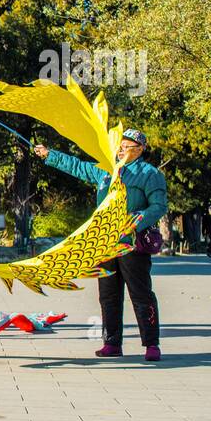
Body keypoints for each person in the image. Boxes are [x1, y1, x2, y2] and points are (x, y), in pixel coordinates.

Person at [33, 129, 168, 361]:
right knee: (108, 296)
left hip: (131, 245)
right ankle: (112, 343)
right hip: (104, 244)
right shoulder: (107, 169)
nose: (121, 148)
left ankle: (151, 344)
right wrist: (49, 155)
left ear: (140, 149)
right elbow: (77, 166)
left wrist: (137, 219)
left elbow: (159, 206)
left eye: (127, 145)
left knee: (141, 294)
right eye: (120, 144)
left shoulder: (150, 174)